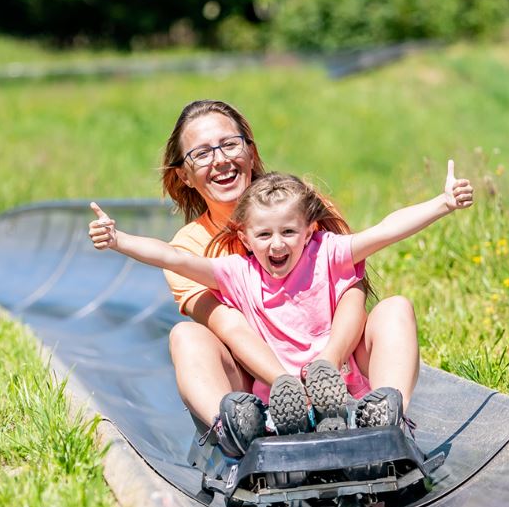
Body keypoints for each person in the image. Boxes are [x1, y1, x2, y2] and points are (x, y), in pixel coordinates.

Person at [89, 166, 474, 453]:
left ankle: (390, 416)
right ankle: (243, 429)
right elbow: (175, 258)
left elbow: (386, 230)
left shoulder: (328, 252)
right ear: (244, 237)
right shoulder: (237, 273)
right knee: (186, 335)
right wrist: (119, 240)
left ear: (308, 231)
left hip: (342, 392)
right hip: (280, 402)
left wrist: (442, 203)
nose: (277, 244)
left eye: (289, 232)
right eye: (264, 234)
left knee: (397, 307)